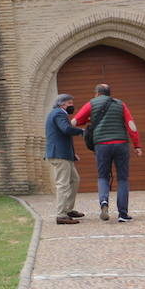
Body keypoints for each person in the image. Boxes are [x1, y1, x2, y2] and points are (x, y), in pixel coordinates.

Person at [72, 83, 143, 222]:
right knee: (122, 178)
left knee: (103, 176)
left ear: (97, 93)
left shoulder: (91, 104)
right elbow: (131, 125)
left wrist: (89, 119)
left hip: (102, 145)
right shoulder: (120, 104)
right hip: (121, 144)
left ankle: (103, 202)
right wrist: (137, 146)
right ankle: (123, 214)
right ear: (109, 93)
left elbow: (75, 121)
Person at [44, 93, 84, 224]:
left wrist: (72, 154)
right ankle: (61, 215)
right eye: (70, 104)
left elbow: (63, 136)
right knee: (63, 184)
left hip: (64, 154)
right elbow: (66, 130)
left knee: (74, 180)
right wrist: (82, 131)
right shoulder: (59, 114)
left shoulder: (57, 113)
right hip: (59, 155)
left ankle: (68, 209)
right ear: (62, 104)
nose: (72, 106)